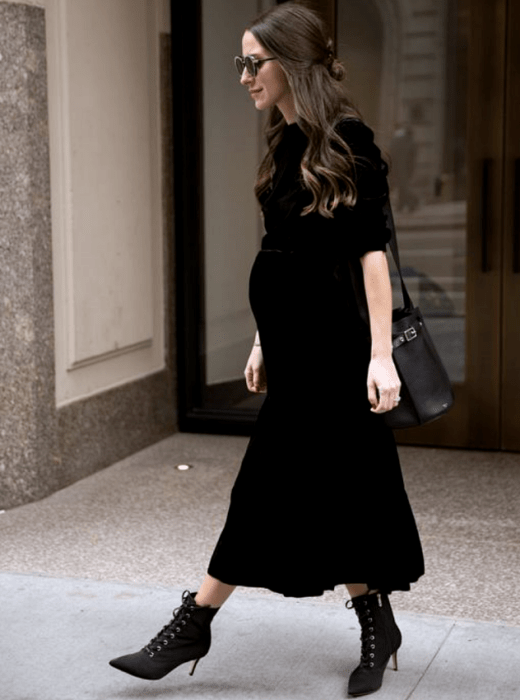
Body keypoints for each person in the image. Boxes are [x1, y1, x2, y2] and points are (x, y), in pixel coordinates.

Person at [109, 3, 424, 697]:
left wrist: (379, 357)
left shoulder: (349, 140)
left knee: (266, 486)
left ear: (293, 64)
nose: (245, 75)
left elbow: (371, 256)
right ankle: (377, 619)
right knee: (345, 487)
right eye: (241, 63)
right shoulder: (285, 141)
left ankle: (194, 621)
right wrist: (261, 338)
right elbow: (279, 249)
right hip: (292, 345)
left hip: (335, 350)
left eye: (255, 62)